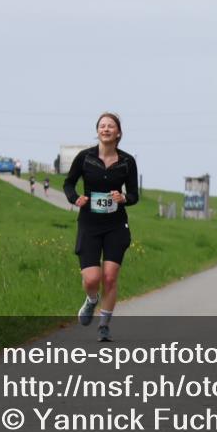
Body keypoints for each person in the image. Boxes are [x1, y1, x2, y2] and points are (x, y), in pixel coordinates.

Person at [64, 112, 139, 342]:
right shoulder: (85, 158)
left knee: (109, 277)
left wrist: (123, 198)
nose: (106, 129)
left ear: (118, 133)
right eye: (102, 126)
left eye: (110, 126)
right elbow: (68, 184)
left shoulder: (127, 161)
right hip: (89, 223)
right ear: (97, 131)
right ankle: (91, 300)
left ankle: (104, 325)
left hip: (116, 224)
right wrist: (75, 198)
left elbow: (134, 194)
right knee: (92, 279)